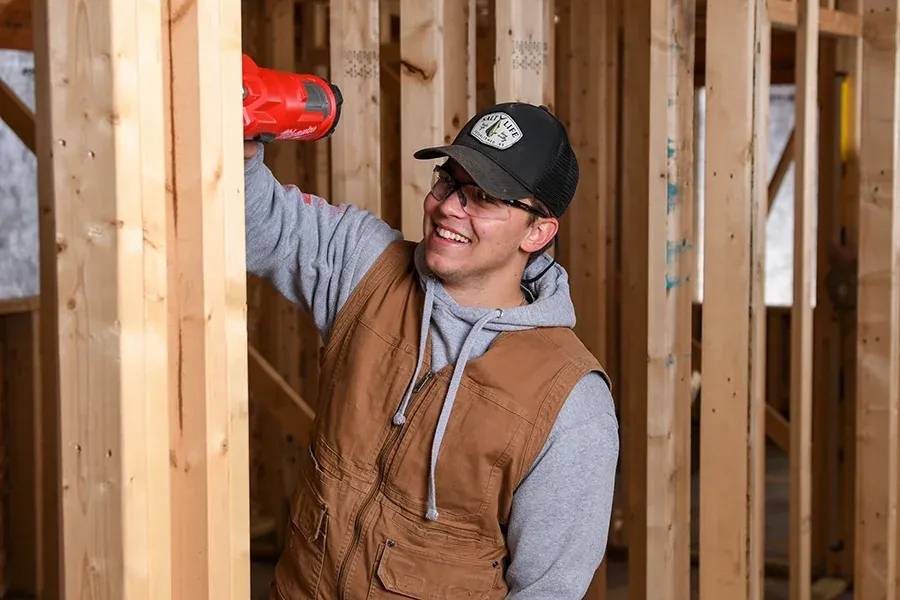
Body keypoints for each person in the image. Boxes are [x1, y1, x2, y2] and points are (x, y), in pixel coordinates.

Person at [244, 101, 620, 599]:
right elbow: (252, 218)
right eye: (448, 180)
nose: (448, 207)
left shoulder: (570, 403)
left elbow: (547, 592)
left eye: (483, 197)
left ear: (538, 231)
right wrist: (243, 139)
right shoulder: (365, 269)